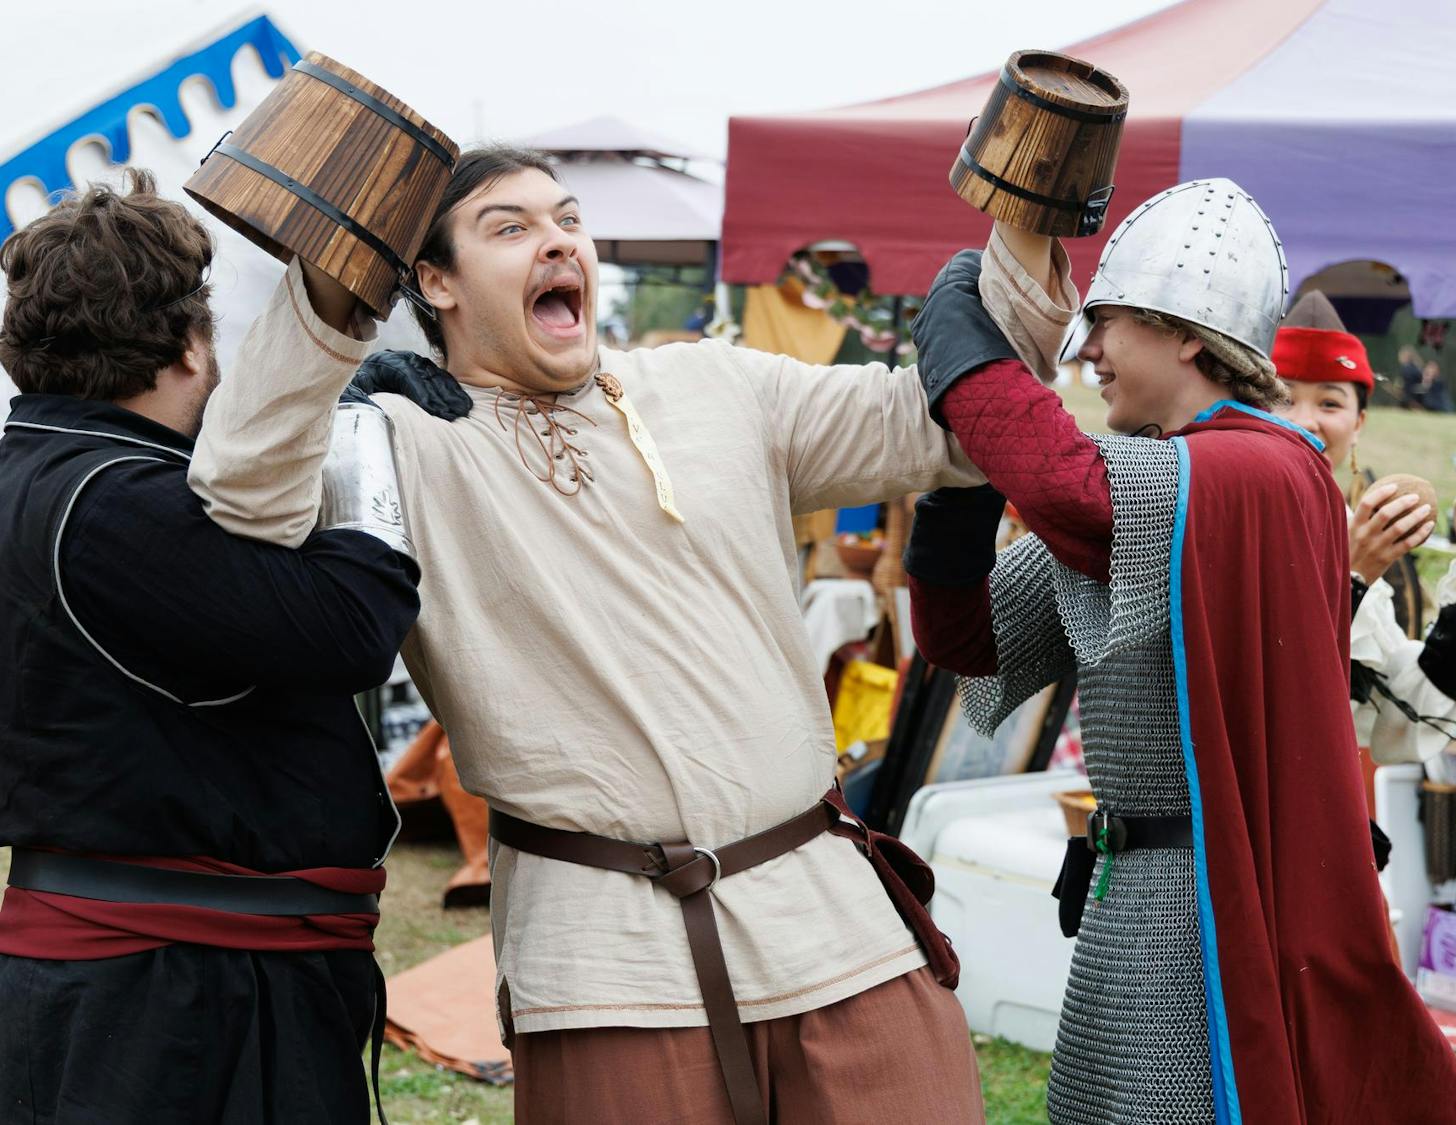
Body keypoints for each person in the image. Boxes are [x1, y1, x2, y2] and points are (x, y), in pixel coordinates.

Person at [187, 144, 991, 1124]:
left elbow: (941, 428)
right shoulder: (399, 439)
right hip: (607, 960)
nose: (558, 239)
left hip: (833, 924)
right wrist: (330, 322)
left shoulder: (714, 383)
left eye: (567, 219)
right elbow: (242, 498)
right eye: (511, 227)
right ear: (435, 281)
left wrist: (1019, 253)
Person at [901, 179, 1456, 1122]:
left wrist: (968, 350)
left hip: (1214, 903)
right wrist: (960, 483)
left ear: (1183, 333)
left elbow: (1070, 488)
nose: (1089, 349)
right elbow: (966, 641)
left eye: (1107, 322)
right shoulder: (1148, 489)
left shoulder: (1264, 466)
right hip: (1133, 900)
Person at [0, 170, 421, 1123]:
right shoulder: (115, 504)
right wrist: (352, 432)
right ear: (192, 345)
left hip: (129, 981)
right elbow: (355, 626)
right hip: (177, 1000)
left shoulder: (43, 473)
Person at [1273, 291, 1456, 770]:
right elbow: (1269, 688)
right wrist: (1352, 575)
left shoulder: (1350, 524)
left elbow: (1401, 716)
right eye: (1282, 397)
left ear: (1358, 424)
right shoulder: (1222, 513)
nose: (1305, 420)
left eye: (1329, 402)